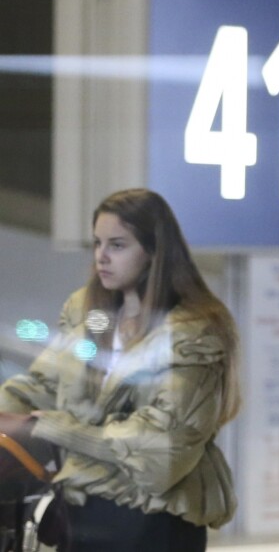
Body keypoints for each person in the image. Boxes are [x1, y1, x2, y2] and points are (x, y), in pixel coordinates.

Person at [0, 188, 241, 551]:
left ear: (154, 251)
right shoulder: (87, 310)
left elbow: (163, 454)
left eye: (117, 245)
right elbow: (42, 384)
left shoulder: (194, 332)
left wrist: (60, 430)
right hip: (80, 513)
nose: (101, 257)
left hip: (153, 523)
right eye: (97, 243)